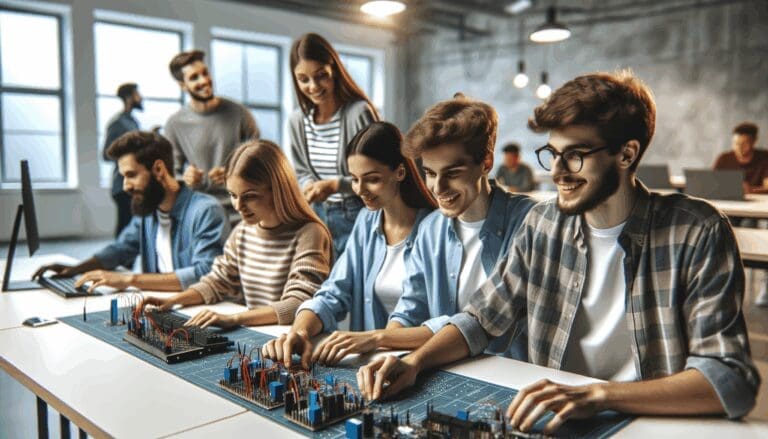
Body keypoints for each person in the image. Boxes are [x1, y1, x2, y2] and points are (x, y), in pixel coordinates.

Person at [358, 71, 760, 434]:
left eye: (575, 155)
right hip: (556, 422)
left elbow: (728, 379)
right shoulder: (543, 224)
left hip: (648, 424)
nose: (556, 172)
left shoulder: (697, 231)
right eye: (552, 153)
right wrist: (415, 362)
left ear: (627, 154)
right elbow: (480, 319)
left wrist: (599, 396)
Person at [261, 122, 436, 368]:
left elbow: (412, 310)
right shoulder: (366, 220)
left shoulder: (434, 227)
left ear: (400, 172)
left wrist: (375, 341)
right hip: (372, 361)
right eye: (354, 179)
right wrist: (299, 332)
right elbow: (335, 291)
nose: (360, 190)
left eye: (372, 179)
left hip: (418, 364)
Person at [140, 140, 332, 328]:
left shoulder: (310, 233)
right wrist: (173, 301)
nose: (238, 206)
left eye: (249, 197)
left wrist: (234, 319)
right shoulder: (242, 231)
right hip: (262, 335)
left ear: (278, 191)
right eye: (233, 195)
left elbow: (298, 303)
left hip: (296, 343)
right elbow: (217, 281)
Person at [32, 131, 229, 292]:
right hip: (160, 305)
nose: (126, 186)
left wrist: (127, 279)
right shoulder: (148, 210)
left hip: (199, 310)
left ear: (159, 169)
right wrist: (74, 269)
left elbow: (205, 273)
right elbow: (120, 249)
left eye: (131, 175)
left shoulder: (205, 211)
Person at [289, 33, 379, 256]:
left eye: (321, 76)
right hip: (317, 215)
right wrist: (310, 185)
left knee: (357, 287)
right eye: (303, 79)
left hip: (358, 214)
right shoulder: (297, 121)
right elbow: (301, 172)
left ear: (334, 70)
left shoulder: (358, 113)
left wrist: (336, 185)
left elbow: (378, 175)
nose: (313, 86)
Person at [164, 50, 259, 224]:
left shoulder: (241, 114)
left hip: (244, 211)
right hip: (201, 213)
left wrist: (234, 173)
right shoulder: (174, 124)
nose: (204, 81)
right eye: (194, 77)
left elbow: (261, 163)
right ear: (182, 85)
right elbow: (170, 175)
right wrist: (186, 178)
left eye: (205, 73)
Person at [104, 82, 142, 237]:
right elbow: (106, 154)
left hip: (135, 183)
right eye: (137, 94)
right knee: (125, 227)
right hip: (122, 185)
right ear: (129, 98)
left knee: (132, 227)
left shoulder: (133, 122)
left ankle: (125, 261)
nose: (141, 98)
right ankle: (117, 260)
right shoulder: (117, 123)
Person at [714, 122, 767, 193]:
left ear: (754, 141)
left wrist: (751, 190)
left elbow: (767, 187)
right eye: (736, 143)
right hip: (728, 201)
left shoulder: (765, 157)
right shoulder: (724, 158)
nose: (739, 148)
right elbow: (713, 183)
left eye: (744, 143)